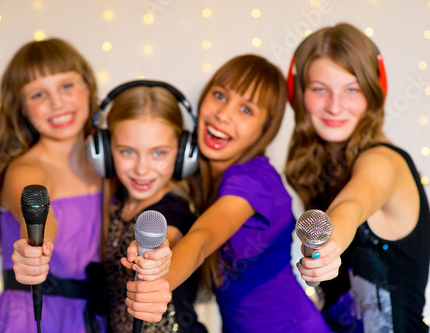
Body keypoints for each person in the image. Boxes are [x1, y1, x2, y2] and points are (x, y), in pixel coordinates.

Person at [0, 38, 168, 333]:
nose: (57, 103)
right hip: (38, 314)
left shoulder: (113, 166)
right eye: (38, 94)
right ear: (21, 108)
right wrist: (35, 248)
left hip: (96, 316)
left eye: (66, 86)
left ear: (88, 88)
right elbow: (38, 218)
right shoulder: (24, 170)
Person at [124, 54, 332, 332]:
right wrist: (156, 256)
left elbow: (203, 238)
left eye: (246, 110)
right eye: (220, 95)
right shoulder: (196, 176)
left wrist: (160, 283)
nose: (223, 114)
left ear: (264, 129)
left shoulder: (255, 179)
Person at [285, 22, 430, 333]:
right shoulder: (323, 170)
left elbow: (352, 205)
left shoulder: (382, 161)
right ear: (299, 94)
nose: (334, 106)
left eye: (352, 89)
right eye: (319, 89)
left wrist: (328, 244)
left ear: (373, 95)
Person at [87, 80, 207, 333]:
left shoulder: (173, 211)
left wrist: (157, 257)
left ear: (183, 153)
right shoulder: (119, 199)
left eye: (159, 153)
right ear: (106, 152)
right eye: (127, 152)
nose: (142, 169)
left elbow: (168, 241)